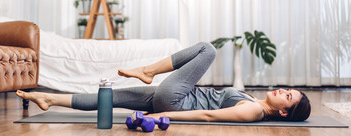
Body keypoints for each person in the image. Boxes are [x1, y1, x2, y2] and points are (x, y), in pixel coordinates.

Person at [16, 42, 311, 122]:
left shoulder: (253, 111)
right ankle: (49, 98)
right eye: (288, 89)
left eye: (288, 97)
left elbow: (207, 115)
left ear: (284, 112)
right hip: (173, 96)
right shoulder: (254, 100)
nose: (284, 91)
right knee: (112, 97)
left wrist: (164, 114)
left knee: (207, 50)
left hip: (175, 101)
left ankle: (148, 69)